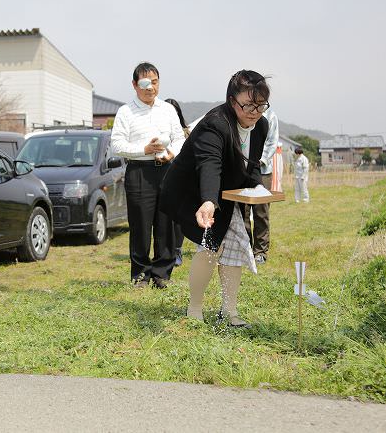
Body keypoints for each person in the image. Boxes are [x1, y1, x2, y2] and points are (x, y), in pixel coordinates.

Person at [160, 70, 270, 326]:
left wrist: (257, 188)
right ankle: (194, 308)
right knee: (210, 244)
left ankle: (229, 311)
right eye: (248, 104)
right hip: (194, 191)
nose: (255, 111)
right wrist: (209, 200)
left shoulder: (261, 125)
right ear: (232, 101)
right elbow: (210, 165)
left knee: (232, 247)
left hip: (227, 192)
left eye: (261, 105)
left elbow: (251, 163)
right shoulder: (216, 124)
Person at [111, 63, 186, 288]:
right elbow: (117, 144)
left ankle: (162, 273)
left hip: (166, 170)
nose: (150, 88)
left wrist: (171, 153)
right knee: (140, 225)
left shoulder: (168, 109)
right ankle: (141, 274)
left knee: (166, 223)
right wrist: (144, 150)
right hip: (139, 171)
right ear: (134, 85)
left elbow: (180, 138)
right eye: (145, 83)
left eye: (155, 82)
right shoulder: (125, 111)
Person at [241, 108, 278, 265]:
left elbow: (272, 142)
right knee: (242, 210)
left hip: (262, 170)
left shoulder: (270, 115)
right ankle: (245, 248)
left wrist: (258, 160)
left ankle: (260, 251)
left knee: (261, 211)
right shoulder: (241, 111)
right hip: (242, 169)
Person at [164, 98, 190, 266]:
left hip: (181, 177)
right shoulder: (158, 130)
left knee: (179, 218)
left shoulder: (186, 133)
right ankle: (165, 250)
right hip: (161, 176)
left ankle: (177, 250)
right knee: (165, 217)